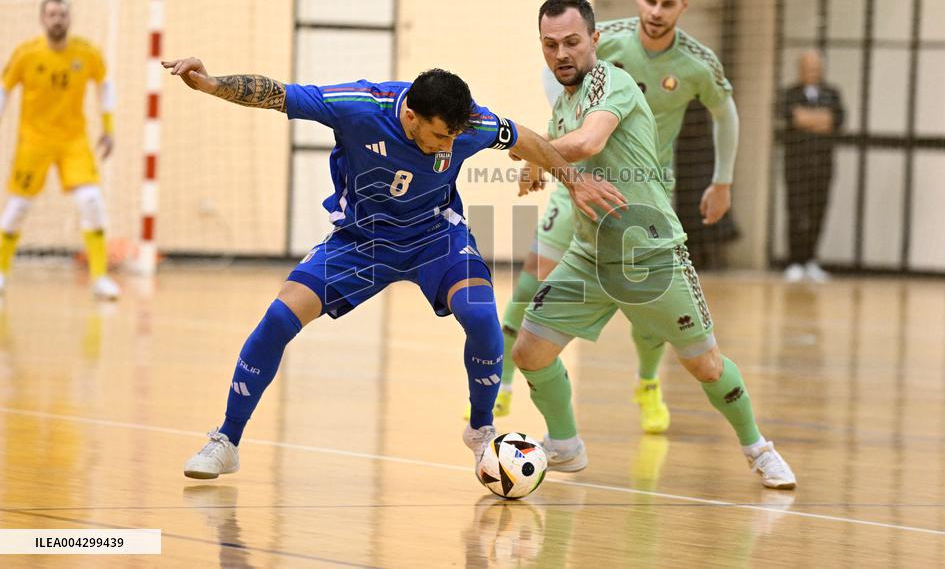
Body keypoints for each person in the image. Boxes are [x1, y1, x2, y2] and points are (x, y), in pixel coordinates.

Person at [161, 57, 626, 479]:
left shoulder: (467, 125)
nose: (450, 144)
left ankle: (481, 431)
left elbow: (521, 136)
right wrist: (213, 84)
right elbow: (279, 93)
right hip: (362, 241)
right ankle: (226, 440)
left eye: (455, 135)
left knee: (483, 315)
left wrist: (575, 179)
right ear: (409, 117)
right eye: (441, 135)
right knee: (279, 318)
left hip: (435, 238)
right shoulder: (358, 107)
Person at [511, 0, 795, 489]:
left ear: (595, 40)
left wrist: (529, 149)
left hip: (651, 255)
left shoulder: (611, 82)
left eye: (573, 42)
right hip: (589, 256)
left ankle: (758, 448)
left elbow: (588, 143)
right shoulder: (562, 108)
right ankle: (565, 446)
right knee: (530, 350)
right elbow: (568, 155)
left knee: (705, 365)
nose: (562, 54)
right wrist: (544, 163)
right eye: (550, 44)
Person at [490, 0, 739, 434]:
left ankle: (647, 383)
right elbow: (561, 87)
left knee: (647, 305)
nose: (656, 10)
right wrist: (553, 149)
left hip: (641, 187)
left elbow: (725, 115)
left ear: (683, 5)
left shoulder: (696, 62)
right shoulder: (605, 42)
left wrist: (722, 179)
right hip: (576, 177)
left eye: (667, 3)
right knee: (530, 280)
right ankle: (500, 386)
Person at [0, 0, 120, 299]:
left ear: (70, 18)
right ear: (43, 19)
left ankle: (99, 278)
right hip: (34, 142)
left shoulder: (87, 53)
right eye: (52, 14)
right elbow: (4, 89)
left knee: (92, 202)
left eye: (62, 14)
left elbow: (105, 86)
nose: (57, 19)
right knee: (17, 209)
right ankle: (1, 272)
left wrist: (108, 129)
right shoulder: (26, 54)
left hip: (73, 143)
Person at [781, 50, 844, 283]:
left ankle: (810, 260)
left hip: (823, 165)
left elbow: (835, 120)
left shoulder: (832, 93)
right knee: (796, 212)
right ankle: (794, 261)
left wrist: (808, 119)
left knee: (818, 211)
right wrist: (818, 119)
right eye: (808, 67)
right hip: (796, 165)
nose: (813, 71)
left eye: (816, 67)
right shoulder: (790, 94)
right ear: (801, 69)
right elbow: (793, 118)